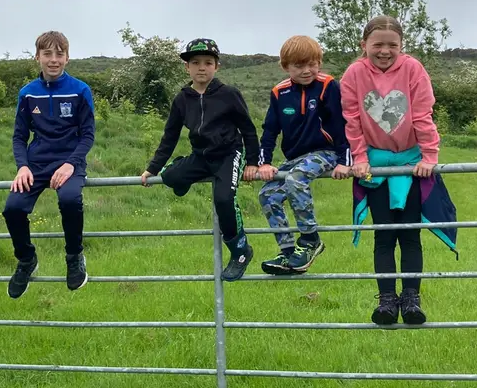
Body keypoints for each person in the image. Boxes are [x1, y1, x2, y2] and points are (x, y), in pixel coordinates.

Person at [340, 15, 458, 325]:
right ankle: (386, 301)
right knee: (383, 236)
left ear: (401, 45)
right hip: (376, 168)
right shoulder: (353, 73)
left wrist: (429, 157)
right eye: (377, 44)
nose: (384, 51)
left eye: (392, 45)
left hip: (411, 163)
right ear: (364, 44)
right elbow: (352, 121)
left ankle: (411, 300)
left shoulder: (413, 69)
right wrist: (360, 158)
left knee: (409, 235)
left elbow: (422, 114)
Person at [141, 38, 260, 281]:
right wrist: (152, 168)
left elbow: (248, 129)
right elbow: (170, 136)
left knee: (223, 199)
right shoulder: (182, 99)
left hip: (229, 154)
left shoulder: (229, 94)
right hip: (200, 156)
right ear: (187, 68)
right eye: (195, 63)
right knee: (171, 176)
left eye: (208, 62)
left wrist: (253, 162)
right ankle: (181, 172)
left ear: (217, 66)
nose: (201, 67)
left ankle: (240, 251)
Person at [3, 30, 95, 299]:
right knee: (13, 209)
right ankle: (26, 260)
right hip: (36, 164)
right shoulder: (28, 93)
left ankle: (74, 256)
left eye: (59, 54)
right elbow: (20, 136)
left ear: (67, 58)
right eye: (47, 54)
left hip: (70, 162)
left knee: (69, 199)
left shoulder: (80, 90)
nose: (53, 60)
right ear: (37, 57)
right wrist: (22, 166)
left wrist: (71, 164)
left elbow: (88, 134)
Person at [254, 35, 352, 275]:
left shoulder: (328, 85)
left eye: (312, 64)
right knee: (268, 194)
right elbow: (270, 130)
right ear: (285, 67)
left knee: (296, 179)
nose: (307, 71)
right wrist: (264, 162)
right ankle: (287, 252)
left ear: (319, 62)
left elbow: (342, 124)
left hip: (325, 152)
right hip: (295, 157)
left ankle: (310, 240)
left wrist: (344, 161)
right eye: (299, 66)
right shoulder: (279, 92)